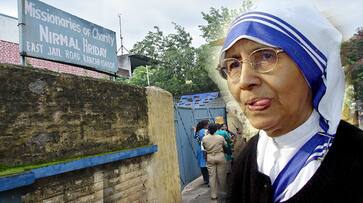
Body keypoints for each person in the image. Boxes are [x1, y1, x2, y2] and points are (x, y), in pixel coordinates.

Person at [217, 1, 363, 202]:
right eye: (233, 64)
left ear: (311, 67)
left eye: (266, 56)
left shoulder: (354, 156)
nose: (244, 80)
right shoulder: (246, 158)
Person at [202, 123, 227, 200]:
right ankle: (224, 193)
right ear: (216, 129)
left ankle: (213, 195)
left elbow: (204, 147)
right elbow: (225, 145)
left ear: (208, 130)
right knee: (222, 176)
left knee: (212, 177)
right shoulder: (220, 137)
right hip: (220, 156)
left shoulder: (204, 138)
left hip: (210, 157)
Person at [194, 120, 209, 185]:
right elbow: (204, 140)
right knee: (206, 164)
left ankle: (205, 179)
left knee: (202, 165)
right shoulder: (203, 131)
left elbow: (195, 136)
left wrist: (194, 130)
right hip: (204, 149)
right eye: (208, 124)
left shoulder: (198, 131)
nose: (208, 126)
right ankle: (208, 180)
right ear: (204, 125)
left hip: (199, 149)